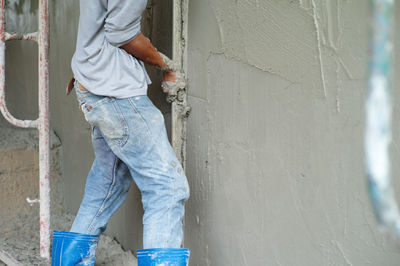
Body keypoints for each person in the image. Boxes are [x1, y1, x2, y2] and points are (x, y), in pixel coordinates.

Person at [51, 1, 190, 265]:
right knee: (167, 187)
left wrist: (88, 69)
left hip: (96, 83)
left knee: (108, 179)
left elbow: (99, 22)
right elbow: (122, 33)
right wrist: (167, 65)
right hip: (117, 94)